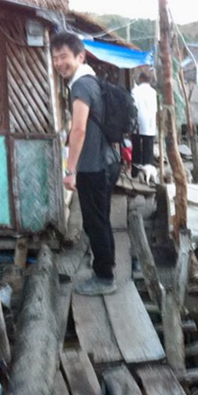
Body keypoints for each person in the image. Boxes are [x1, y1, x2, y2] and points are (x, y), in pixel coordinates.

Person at [51, 32, 120, 296]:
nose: (59, 63)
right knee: (100, 220)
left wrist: (70, 170)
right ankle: (106, 266)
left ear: (80, 56)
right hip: (107, 161)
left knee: (95, 223)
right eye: (55, 58)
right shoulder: (93, 81)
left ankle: (104, 278)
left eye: (64, 57)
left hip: (94, 166)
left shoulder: (80, 86)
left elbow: (78, 130)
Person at [130, 71, 158, 178]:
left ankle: (135, 173)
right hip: (150, 124)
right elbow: (155, 109)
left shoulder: (135, 91)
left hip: (137, 124)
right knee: (148, 150)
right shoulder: (153, 92)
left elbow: (133, 108)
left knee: (136, 149)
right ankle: (148, 174)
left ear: (141, 79)